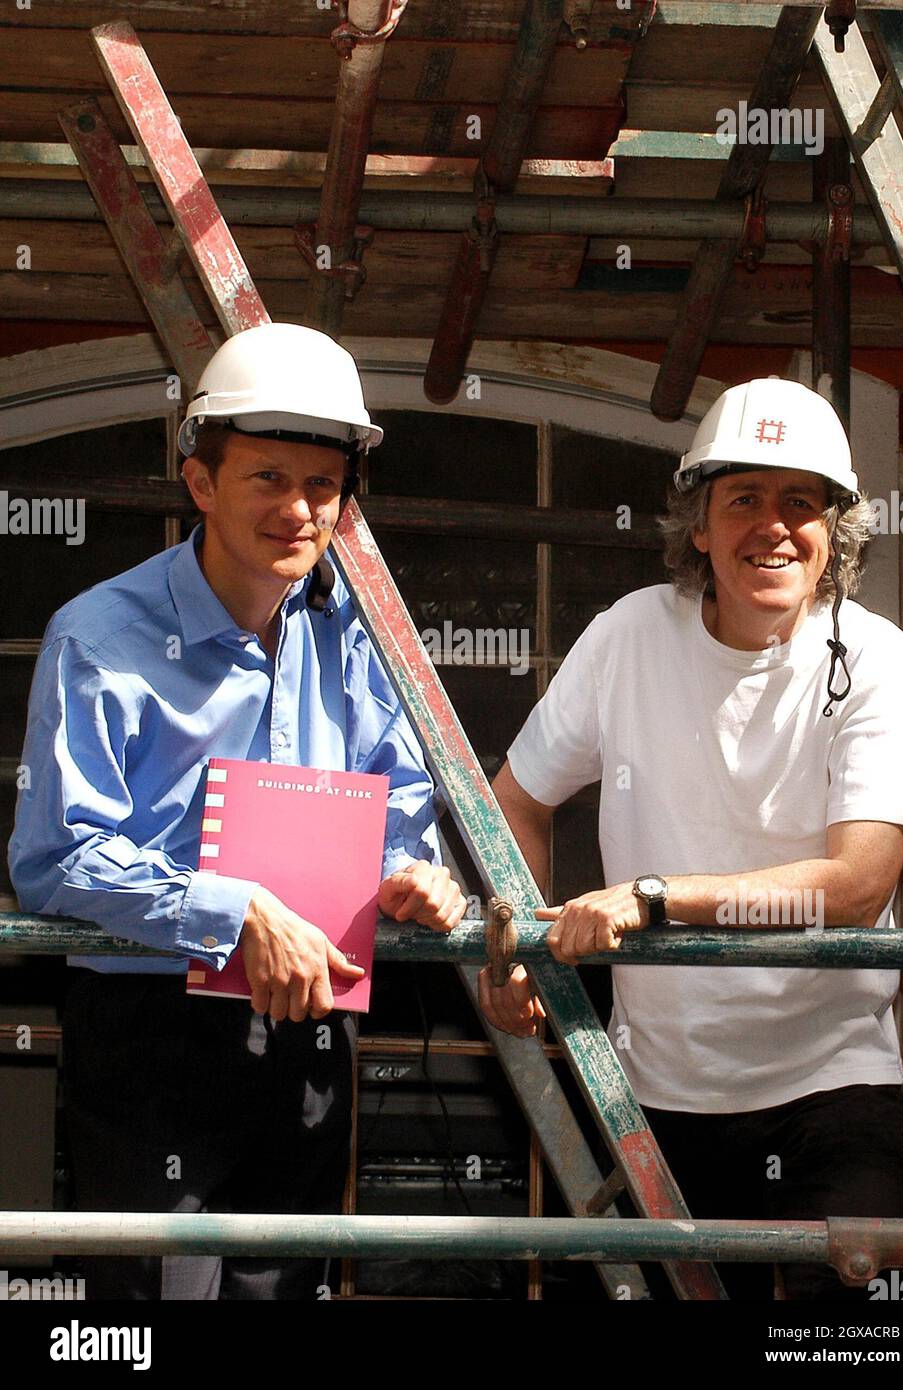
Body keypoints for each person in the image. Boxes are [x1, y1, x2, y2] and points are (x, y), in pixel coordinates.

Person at [9, 322, 466, 1301]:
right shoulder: (98, 635)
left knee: (282, 1282)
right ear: (200, 482)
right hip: (151, 1027)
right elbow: (56, 856)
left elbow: (400, 803)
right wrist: (237, 914)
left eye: (321, 485)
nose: (297, 507)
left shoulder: (355, 641)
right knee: (148, 1302)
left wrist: (413, 873)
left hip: (310, 1014)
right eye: (266, 477)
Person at [478, 377, 903, 1300]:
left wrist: (649, 899)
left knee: (844, 1356)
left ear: (833, 530)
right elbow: (513, 799)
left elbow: (857, 886)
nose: (774, 526)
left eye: (800, 501)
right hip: (653, 1094)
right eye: (745, 499)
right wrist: (522, 941)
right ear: (699, 524)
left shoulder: (878, 657)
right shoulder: (631, 635)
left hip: (832, 1091)